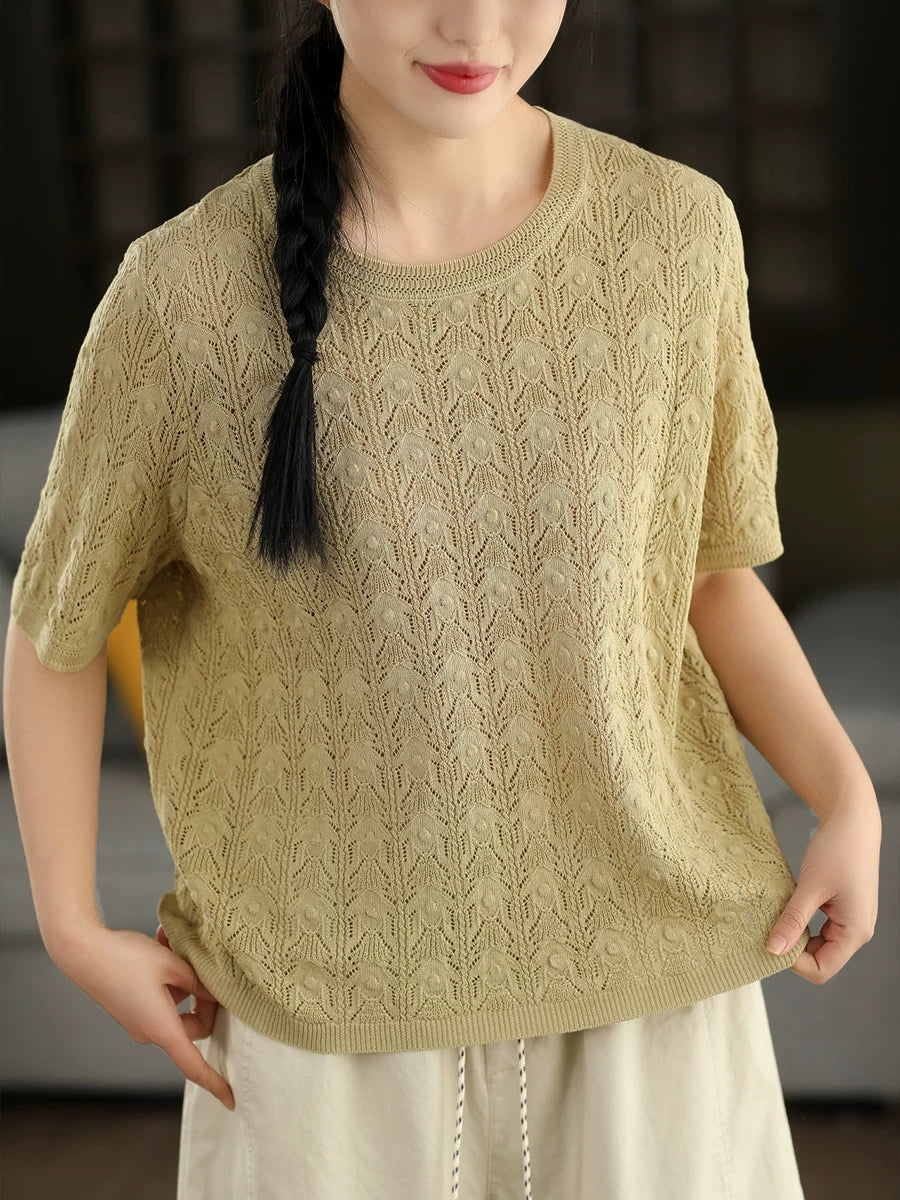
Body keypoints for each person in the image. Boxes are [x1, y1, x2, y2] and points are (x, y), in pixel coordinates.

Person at [3, 1, 882, 1197]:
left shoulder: (676, 235)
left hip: (654, 989)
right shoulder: (182, 296)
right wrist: (67, 926)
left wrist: (843, 794)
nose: (476, 24)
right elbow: (53, 623)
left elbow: (705, 573)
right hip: (326, 1029)